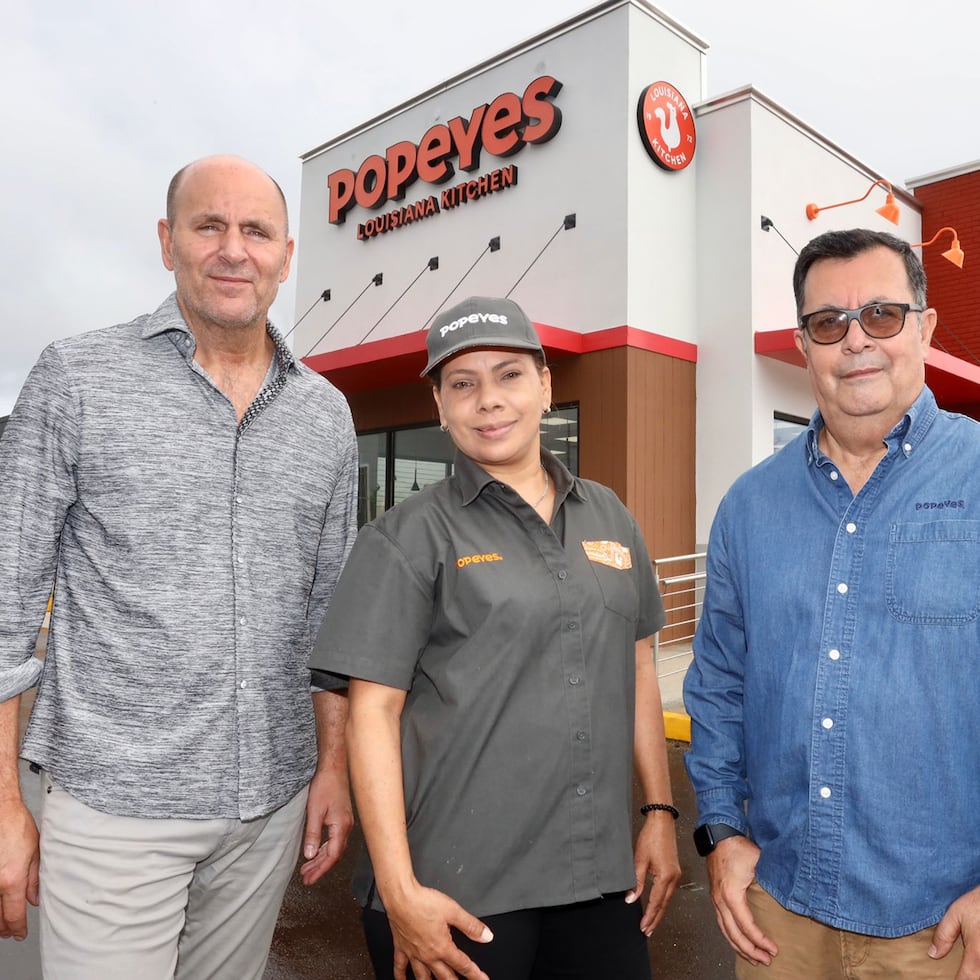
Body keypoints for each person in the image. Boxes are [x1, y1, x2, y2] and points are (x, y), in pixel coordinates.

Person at [0, 155, 358, 978]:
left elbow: (329, 616)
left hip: (269, 808)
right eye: (210, 226)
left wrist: (331, 770)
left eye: (256, 231)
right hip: (113, 806)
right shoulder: (77, 379)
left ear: (286, 254)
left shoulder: (325, 415)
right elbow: (9, 605)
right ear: (168, 242)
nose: (234, 250)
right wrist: (6, 809)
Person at [310, 295, 681, 980]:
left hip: (596, 876)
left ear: (545, 385)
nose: (489, 400)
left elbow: (636, 666)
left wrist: (659, 811)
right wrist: (399, 892)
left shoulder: (611, 517)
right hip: (458, 884)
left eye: (509, 375)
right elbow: (373, 713)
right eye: (463, 384)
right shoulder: (405, 538)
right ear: (440, 406)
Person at [684, 228, 980, 978]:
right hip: (779, 916)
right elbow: (718, 685)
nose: (857, 341)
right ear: (804, 344)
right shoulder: (749, 507)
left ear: (926, 327)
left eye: (882, 315)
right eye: (829, 323)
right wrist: (720, 831)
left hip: (944, 928)